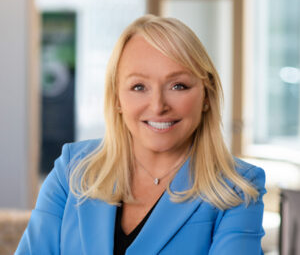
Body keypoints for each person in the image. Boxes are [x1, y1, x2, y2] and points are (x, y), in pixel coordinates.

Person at [16, 15, 266, 255]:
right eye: (139, 87)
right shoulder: (72, 169)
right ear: (117, 99)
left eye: (178, 85)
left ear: (206, 97)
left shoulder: (238, 188)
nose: (158, 105)